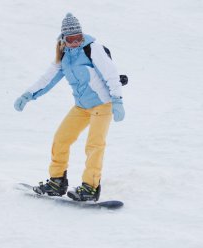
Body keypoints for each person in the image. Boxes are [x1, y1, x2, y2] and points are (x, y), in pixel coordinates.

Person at [14, 13, 125, 201]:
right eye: (71, 39)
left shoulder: (92, 48)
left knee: (94, 145)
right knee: (61, 139)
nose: (75, 42)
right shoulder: (64, 56)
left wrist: (117, 100)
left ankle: (90, 187)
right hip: (81, 107)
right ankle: (57, 182)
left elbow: (111, 73)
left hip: (102, 104)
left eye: (78, 38)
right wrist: (28, 95)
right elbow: (47, 79)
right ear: (63, 40)